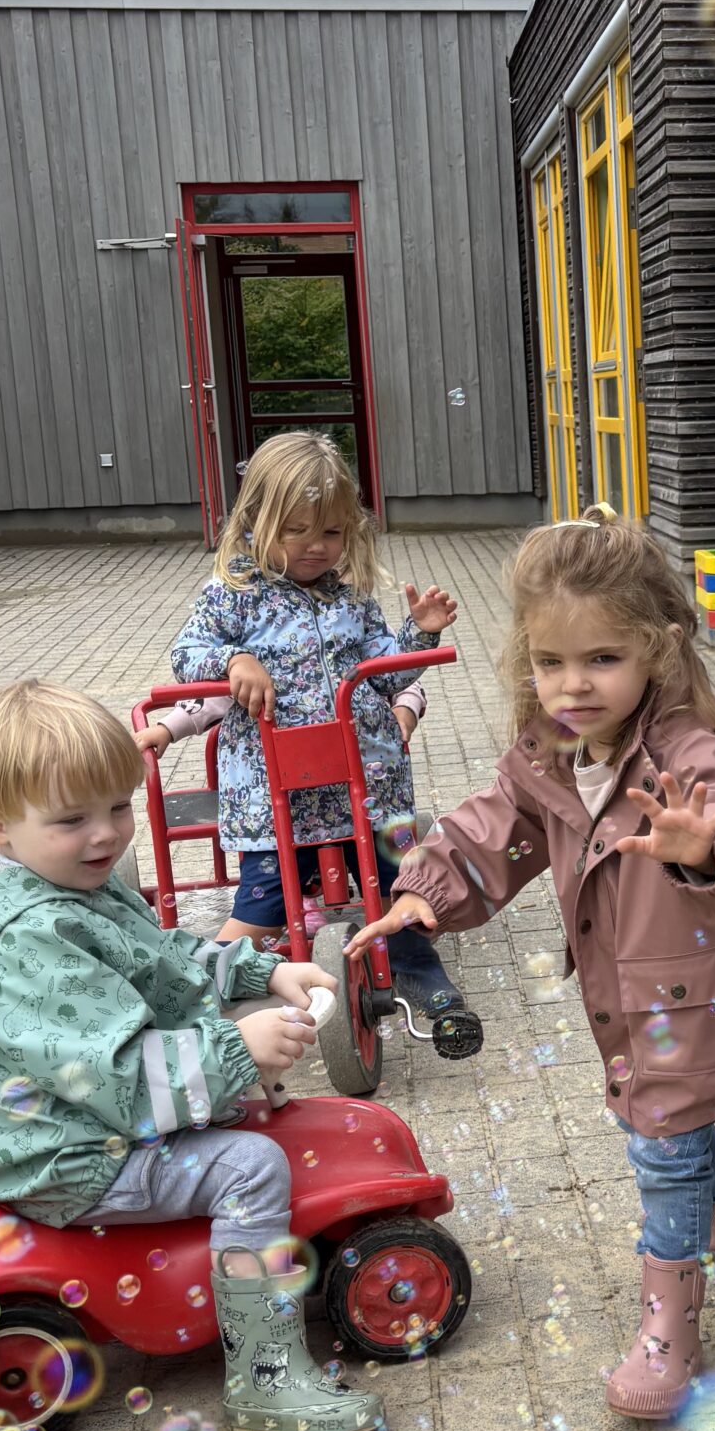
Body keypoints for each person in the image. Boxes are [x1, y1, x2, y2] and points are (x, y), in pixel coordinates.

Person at [348, 508, 715, 1419]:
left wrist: (704, 848)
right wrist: (428, 888)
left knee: (660, 1138)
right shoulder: (550, 750)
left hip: (700, 989)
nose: (573, 685)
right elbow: (495, 825)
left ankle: (670, 1327)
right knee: (666, 1118)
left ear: (657, 650)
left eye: (601, 659)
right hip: (629, 989)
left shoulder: (692, 749)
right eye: (550, 662)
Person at [0, 679, 384, 1431]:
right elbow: (113, 1077)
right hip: (74, 1153)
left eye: (119, 807)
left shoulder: (63, 884)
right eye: (72, 819)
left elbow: (158, 960)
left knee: (247, 1120)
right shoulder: (32, 939)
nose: (106, 836)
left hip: (75, 1125)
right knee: (252, 1167)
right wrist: (236, 1050)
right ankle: (266, 1378)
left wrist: (259, 973)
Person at [168, 430, 480, 1046]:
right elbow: (186, 653)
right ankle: (188, 997)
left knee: (398, 885)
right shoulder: (234, 594)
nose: (317, 547)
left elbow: (385, 673)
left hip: (367, 782)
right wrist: (233, 660)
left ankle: (427, 981)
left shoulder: (350, 597)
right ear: (256, 522)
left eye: (332, 532)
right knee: (264, 903)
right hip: (278, 793)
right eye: (297, 531)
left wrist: (416, 636)